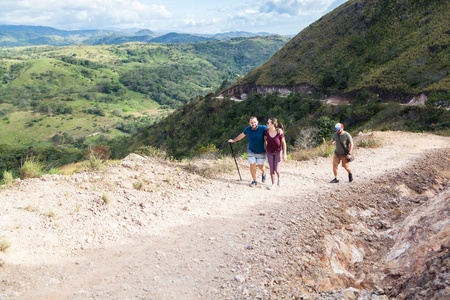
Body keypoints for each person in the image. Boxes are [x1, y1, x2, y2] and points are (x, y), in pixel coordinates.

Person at [228, 116, 267, 187]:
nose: (253, 124)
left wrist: (279, 130)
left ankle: (264, 173)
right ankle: (254, 181)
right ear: (249, 123)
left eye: (254, 122)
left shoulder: (263, 128)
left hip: (261, 151)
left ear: (257, 122)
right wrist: (233, 140)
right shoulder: (247, 129)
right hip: (251, 151)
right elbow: (241, 136)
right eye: (251, 123)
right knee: (252, 165)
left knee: (260, 166)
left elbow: (272, 129)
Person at [264, 118, 287, 190]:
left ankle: (279, 178)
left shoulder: (279, 132)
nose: (267, 124)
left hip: (278, 152)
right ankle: (273, 184)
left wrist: (285, 154)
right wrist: (266, 150)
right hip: (269, 152)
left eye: (268, 123)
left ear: (272, 124)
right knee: (271, 169)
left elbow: (284, 143)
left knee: (276, 169)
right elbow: (265, 141)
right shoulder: (266, 132)